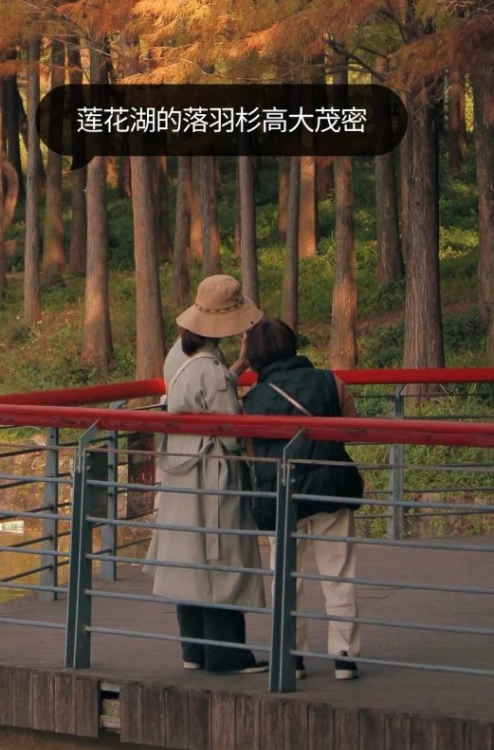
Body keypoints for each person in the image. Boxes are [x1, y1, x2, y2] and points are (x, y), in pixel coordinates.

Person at [151, 274, 268, 674]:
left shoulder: (176, 356)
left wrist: (236, 367)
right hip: (213, 471)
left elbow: (196, 394)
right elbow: (230, 427)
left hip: (180, 468)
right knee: (221, 556)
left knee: (190, 555)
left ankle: (194, 649)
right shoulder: (211, 370)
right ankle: (227, 652)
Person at [240, 318, 364, 682]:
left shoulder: (252, 401)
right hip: (330, 488)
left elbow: (249, 452)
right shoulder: (331, 381)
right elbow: (352, 428)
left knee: (286, 577)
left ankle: (292, 656)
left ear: (256, 356)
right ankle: (344, 656)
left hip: (281, 494)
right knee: (339, 573)